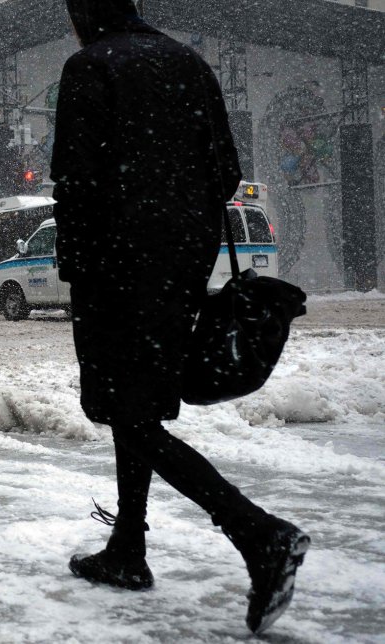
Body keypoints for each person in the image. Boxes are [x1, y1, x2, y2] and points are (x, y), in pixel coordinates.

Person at [50, 0, 308, 635]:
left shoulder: (90, 66)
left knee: (122, 409)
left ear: (84, 9)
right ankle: (128, 550)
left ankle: (258, 532)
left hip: (114, 262)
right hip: (180, 264)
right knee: (137, 404)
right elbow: (227, 171)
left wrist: (78, 268)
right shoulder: (187, 61)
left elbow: (75, 181)